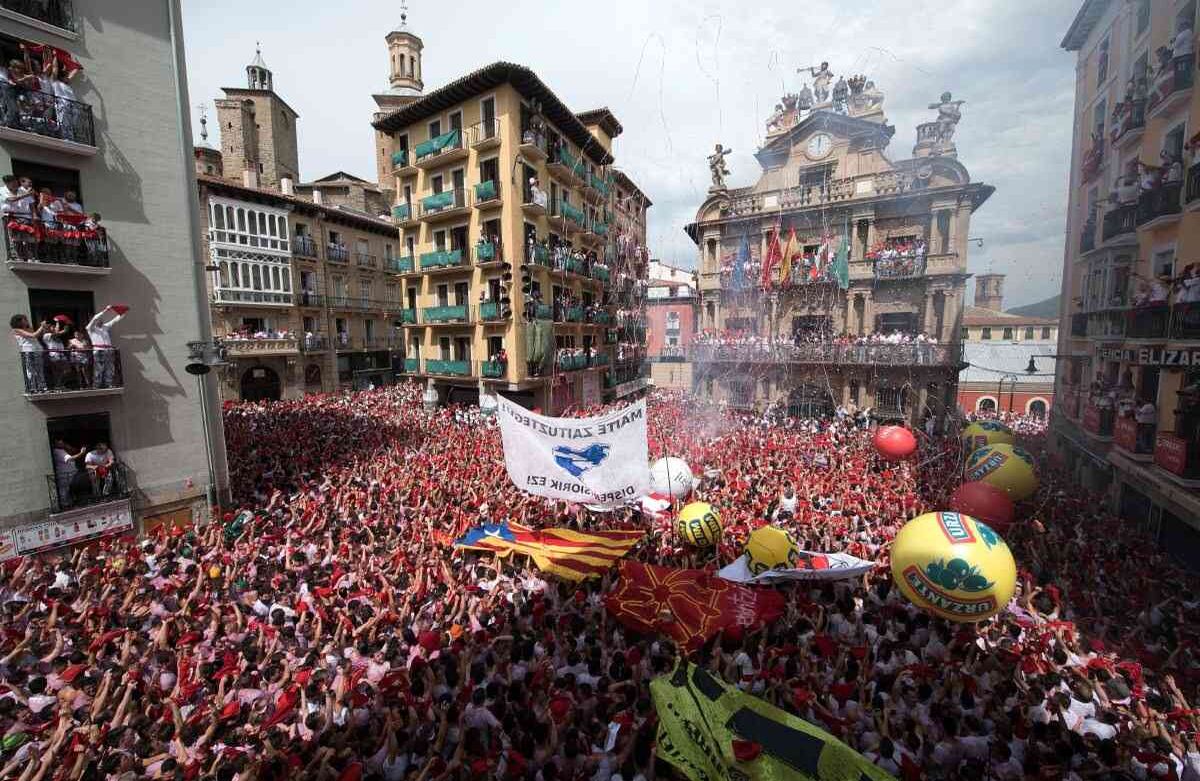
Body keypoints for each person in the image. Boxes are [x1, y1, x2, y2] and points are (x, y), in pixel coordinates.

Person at [86, 305, 123, 388]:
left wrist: (122, 313)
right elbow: (95, 318)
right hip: (99, 350)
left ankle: (108, 383)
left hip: (109, 350)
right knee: (98, 369)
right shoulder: (90, 328)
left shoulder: (105, 327)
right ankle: (96, 385)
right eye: (100, 319)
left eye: (101, 319)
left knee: (110, 368)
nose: (101, 320)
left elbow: (115, 320)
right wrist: (105, 310)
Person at [10, 312, 47, 392]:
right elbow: (32, 335)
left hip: (37, 350)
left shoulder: (29, 328)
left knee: (39, 370)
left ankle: (42, 387)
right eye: (25, 319)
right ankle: (33, 388)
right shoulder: (17, 330)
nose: (27, 321)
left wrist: (43, 328)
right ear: (19, 321)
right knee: (31, 370)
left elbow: (37, 335)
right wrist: (41, 327)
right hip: (28, 351)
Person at [50, 438, 84, 509]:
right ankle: (65, 505)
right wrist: (81, 453)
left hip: (71, 474)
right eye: (59, 442)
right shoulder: (58, 451)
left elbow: (73, 451)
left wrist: (68, 447)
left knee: (69, 489)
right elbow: (70, 459)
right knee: (64, 490)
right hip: (64, 474)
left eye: (62, 442)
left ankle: (70, 503)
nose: (62, 443)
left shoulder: (64, 450)